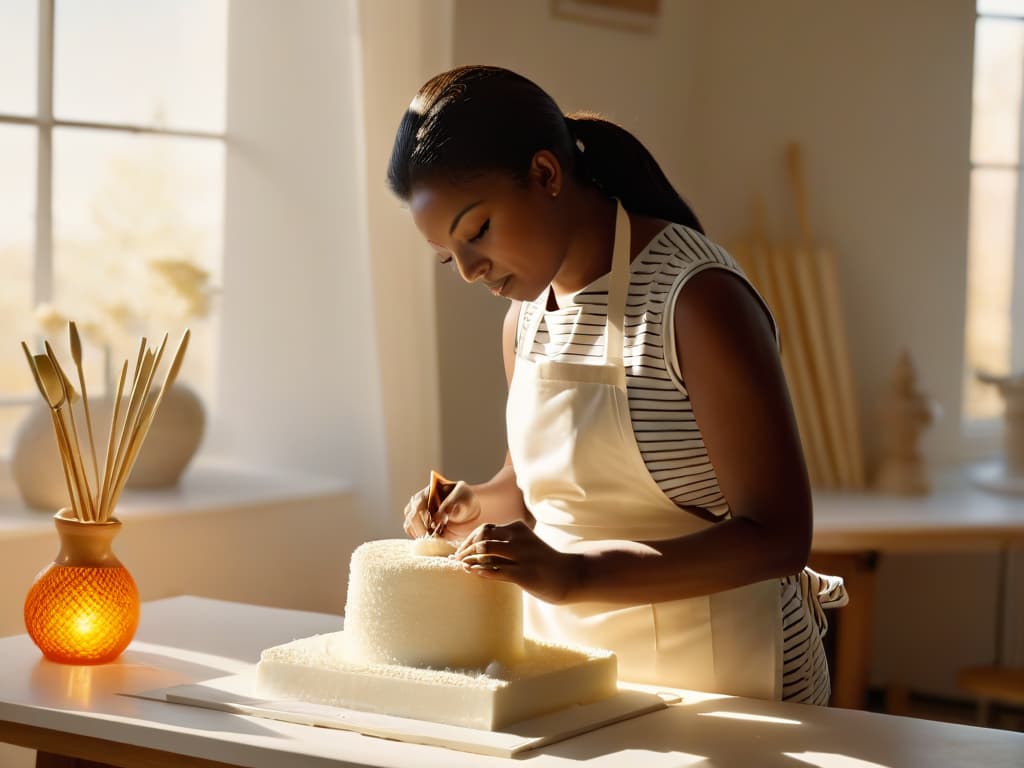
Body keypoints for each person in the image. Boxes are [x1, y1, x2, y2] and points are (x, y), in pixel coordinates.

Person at [390, 65, 847, 705]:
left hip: (736, 678)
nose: (468, 270)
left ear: (546, 175)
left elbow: (778, 535)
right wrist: (476, 506)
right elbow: (528, 492)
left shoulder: (695, 300)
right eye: (448, 254)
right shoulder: (525, 319)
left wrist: (576, 575)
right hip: (582, 677)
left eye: (479, 232)